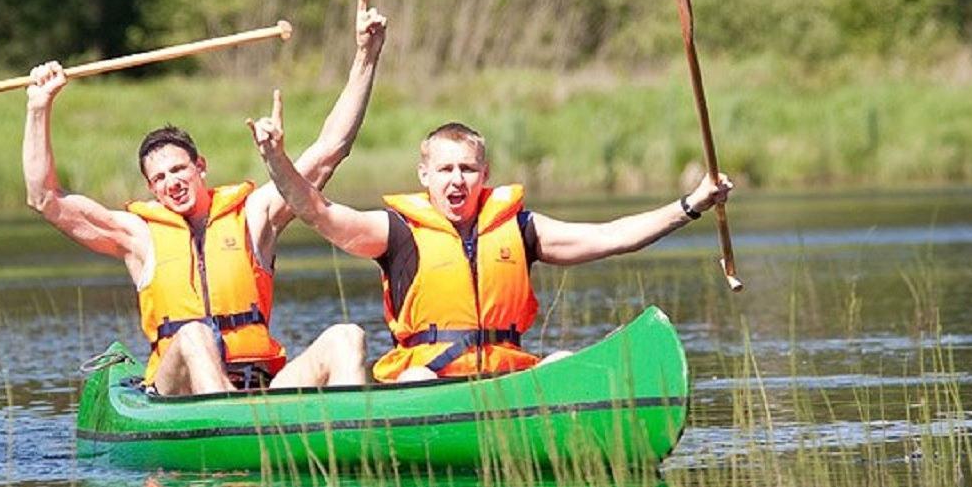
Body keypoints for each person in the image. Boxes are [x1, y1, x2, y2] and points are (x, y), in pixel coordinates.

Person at [24, 0, 389, 395]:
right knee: (195, 334)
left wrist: (366, 56)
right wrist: (39, 107)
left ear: (201, 167)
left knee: (347, 336)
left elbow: (330, 151)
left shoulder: (253, 216)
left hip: (259, 385)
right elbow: (46, 198)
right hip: (179, 389)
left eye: (179, 169)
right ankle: (230, 429)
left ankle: (348, 448)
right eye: (159, 178)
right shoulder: (138, 235)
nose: (172, 182)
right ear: (150, 188)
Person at [247, 107, 733, 382]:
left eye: (467, 169)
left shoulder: (520, 228)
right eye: (445, 169)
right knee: (415, 380)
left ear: (485, 175)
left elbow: (612, 237)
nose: (457, 180)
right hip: (427, 378)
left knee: (563, 364)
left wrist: (690, 204)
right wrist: (276, 160)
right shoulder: (395, 232)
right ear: (425, 177)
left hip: (504, 379)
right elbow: (318, 211)